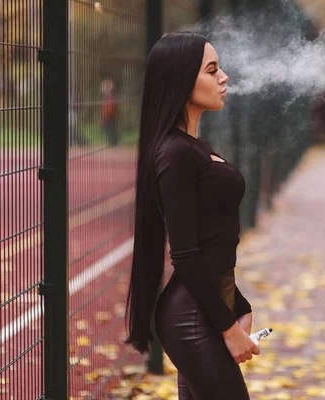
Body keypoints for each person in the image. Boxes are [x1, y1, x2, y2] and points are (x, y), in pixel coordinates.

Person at [124, 32, 260, 399]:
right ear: (181, 80)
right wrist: (228, 328)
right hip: (194, 320)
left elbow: (212, 245)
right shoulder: (176, 153)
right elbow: (185, 254)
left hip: (203, 311)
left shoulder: (191, 147)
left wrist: (238, 305)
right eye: (212, 70)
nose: (224, 77)